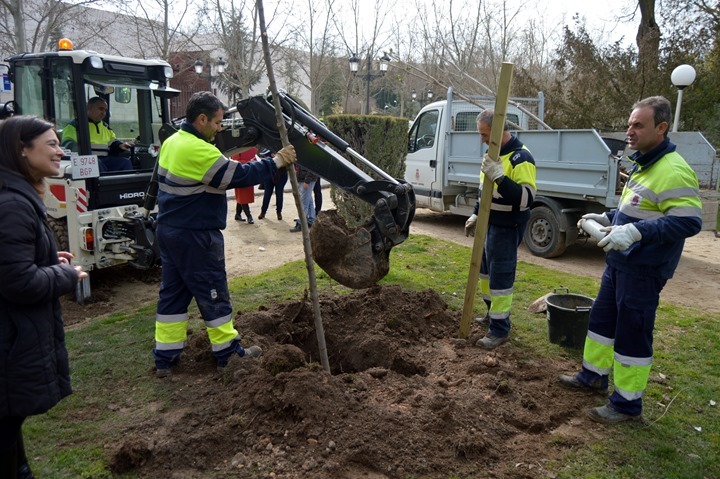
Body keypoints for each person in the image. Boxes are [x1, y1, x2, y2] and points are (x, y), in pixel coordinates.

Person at [558, 96, 703, 424]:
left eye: (638, 125)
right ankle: (592, 376)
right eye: (629, 124)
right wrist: (610, 217)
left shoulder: (674, 170)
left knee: (631, 334)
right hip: (621, 263)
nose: (630, 131)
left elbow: (689, 221)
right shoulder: (644, 163)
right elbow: (639, 207)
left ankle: (626, 404)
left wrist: (636, 233)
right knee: (601, 323)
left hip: (645, 268)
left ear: (661, 128)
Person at [152, 91, 296, 377]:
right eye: (217, 122)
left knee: (173, 294)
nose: (220, 128)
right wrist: (276, 162)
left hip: (170, 230)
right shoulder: (198, 150)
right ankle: (229, 354)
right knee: (214, 291)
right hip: (196, 234)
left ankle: (165, 357)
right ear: (202, 119)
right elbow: (237, 176)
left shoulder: (173, 141)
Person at [0, 115, 88, 478]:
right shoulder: (13, 205)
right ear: (22, 149)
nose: (59, 150)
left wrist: (48, 260)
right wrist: (64, 275)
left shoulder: (15, 196)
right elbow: (18, 281)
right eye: (50, 144)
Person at [464, 109, 537, 350]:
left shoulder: (520, 158)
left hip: (507, 226)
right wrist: (476, 213)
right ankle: (491, 314)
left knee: (500, 279)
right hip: (489, 223)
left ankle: (500, 329)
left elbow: (526, 200)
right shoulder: (492, 153)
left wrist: (501, 178)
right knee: (485, 274)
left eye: (485, 135)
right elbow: (483, 189)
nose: (482, 140)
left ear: (497, 131)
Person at [61, 96, 133, 172]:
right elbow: (68, 145)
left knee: (125, 162)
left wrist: (121, 146)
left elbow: (113, 142)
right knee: (96, 164)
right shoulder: (74, 126)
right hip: (86, 161)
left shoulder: (105, 127)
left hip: (105, 159)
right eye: (101, 109)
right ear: (90, 109)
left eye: (105, 110)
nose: (104, 113)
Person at [258, 149, 288, 221]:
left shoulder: (283, 149)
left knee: (279, 194)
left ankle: (279, 212)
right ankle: (263, 212)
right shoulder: (267, 149)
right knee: (267, 194)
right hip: (269, 176)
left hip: (281, 176)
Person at [290, 164, 319, 232]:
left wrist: (307, 180)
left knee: (304, 202)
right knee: (308, 200)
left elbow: (312, 167)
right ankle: (312, 219)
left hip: (307, 179)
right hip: (303, 178)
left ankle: (300, 223)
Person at [231, 148, 258, 224]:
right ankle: (249, 216)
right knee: (243, 197)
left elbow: (254, 160)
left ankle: (238, 214)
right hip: (240, 175)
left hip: (248, 175)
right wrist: (249, 162)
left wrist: (253, 162)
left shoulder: (248, 149)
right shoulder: (236, 150)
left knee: (242, 196)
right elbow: (235, 162)